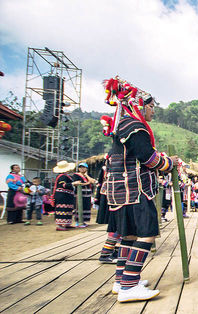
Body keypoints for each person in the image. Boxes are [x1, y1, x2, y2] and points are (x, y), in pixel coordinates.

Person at [101, 77, 175, 302]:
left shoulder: (124, 123)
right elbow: (148, 158)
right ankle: (129, 285)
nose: (153, 111)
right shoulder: (134, 126)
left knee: (129, 235)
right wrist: (170, 163)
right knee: (147, 234)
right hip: (134, 188)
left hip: (124, 189)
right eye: (151, 107)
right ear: (140, 105)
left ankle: (121, 280)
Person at [96, 159, 120, 263]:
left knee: (119, 225)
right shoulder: (116, 162)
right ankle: (107, 253)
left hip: (115, 195)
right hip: (115, 196)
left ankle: (116, 251)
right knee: (118, 225)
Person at [52, 161, 76, 230]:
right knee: (62, 209)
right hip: (62, 196)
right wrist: (73, 184)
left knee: (67, 209)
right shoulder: (62, 177)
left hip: (66, 196)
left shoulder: (66, 176)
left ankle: (66, 223)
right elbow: (64, 185)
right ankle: (60, 225)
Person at [71, 162, 96, 227]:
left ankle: (84, 221)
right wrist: (88, 183)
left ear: (86, 168)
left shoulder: (89, 175)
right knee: (78, 207)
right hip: (79, 194)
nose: (82, 169)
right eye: (80, 167)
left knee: (86, 206)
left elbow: (93, 181)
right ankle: (78, 221)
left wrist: (86, 175)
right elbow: (77, 183)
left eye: (83, 167)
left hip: (87, 194)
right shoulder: (76, 175)